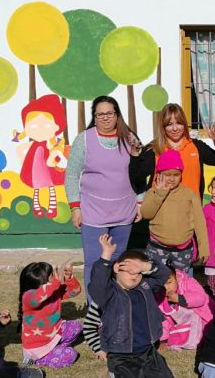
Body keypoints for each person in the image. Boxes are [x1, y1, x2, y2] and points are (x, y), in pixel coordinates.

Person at [65, 96, 143, 298]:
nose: (106, 118)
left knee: (118, 263)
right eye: (100, 114)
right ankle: (94, 312)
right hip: (93, 212)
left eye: (110, 113)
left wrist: (140, 203)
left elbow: (140, 172)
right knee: (94, 262)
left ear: (117, 115)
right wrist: (75, 207)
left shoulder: (131, 138)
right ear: (94, 116)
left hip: (124, 212)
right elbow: (72, 174)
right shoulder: (84, 139)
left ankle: (115, 304)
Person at [88, 234, 174, 378]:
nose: (134, 274)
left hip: (148, 350)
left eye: (139, 271)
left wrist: (145, 266)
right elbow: (97, 283)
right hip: (120, 354)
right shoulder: (109, 292)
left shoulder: (145, 286)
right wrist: (106, 256)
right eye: (129, 269)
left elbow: (164, 274)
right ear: (117, 268)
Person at [141, 149, 209, 272]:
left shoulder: (189, 194)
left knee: (182, 282)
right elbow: (146, 213)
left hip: (183, 249)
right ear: (159, 174)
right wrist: (160, 194)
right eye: (167, 175)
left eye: (176, 175)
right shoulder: (153, 192)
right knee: (155, 281)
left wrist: (203, 248)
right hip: (157, 247)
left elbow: (199, 222)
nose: (172, 179)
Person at [153, 103, 215, 198]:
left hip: (192, 208)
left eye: (179, 123)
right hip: (163, 208)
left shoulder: (196, 146)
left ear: (184, 124)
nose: (175, 128)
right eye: (169, 124)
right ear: (163, 126)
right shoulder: (154, 148)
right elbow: (137, 177)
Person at [18, 262, 82, 368]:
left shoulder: (54, 290)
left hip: (53, 334)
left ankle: (55, 349)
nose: (57, 275)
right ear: (42, 281)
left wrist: (69, 277)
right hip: (37, 348)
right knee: (71, 354)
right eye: (53, 274)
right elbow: (39, 297)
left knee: (76, 326)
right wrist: (56, 283)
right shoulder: (28, 298)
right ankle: (37, 360)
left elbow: (75, 291)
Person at [13, 94, 68, 219]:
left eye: (46, 125)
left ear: (56, 127)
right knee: (36, 185)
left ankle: (52, 206)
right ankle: (36, 206)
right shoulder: (32, 146)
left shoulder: (53, 142)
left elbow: (57, 151)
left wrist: (54, 153)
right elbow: (20, 147)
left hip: (48, 166)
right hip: (35, 166)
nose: (39, 129)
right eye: (33, 126)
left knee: (50, 185)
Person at [158, 266, 215, 351]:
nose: (166, 288)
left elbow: (201, 298)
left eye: (169, 282)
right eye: (161, 285)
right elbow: (164, 320)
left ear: (177, 278)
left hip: (206, 319)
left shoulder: (188, 282)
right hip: (185, 325)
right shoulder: (159, 296)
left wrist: (180, 298)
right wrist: (163, 340)